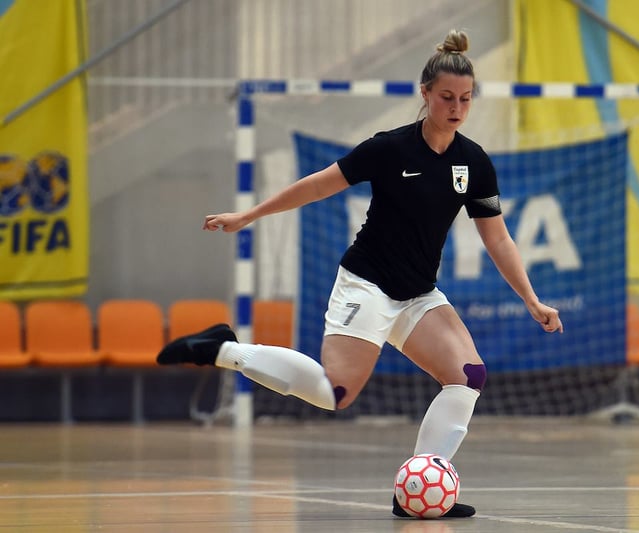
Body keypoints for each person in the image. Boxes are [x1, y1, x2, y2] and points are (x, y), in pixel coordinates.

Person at [157, 29, 563, 519]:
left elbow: (497, 238)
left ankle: (416, 487)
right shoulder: (390, 149)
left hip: (417, 295)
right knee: (336, 394)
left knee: (467, 375)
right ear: (425, 94)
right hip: (366, 285)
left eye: (466, 100)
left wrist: (531, 299)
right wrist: (248, 216)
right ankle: (224, 348)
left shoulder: (473, 162)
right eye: (446, 98)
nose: (456, 108)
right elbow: (315, 187)